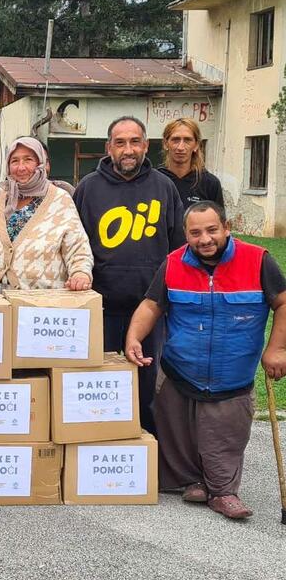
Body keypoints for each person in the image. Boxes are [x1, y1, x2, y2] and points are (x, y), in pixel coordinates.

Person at [126, 201, 286, 520]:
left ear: (226, 227)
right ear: (186, 234)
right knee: (177, 431)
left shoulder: (258, 260)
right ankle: (193, 481)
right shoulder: (173, 263)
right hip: (180, 371)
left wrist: (277, 349)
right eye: (196, 232)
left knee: (223, 435)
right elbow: (151, 305)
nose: (205, 239)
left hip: (232, 375)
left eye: (212, 230)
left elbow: (283, 302)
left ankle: (223, 491)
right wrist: (133, 337)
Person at [73, 116, 184, 435]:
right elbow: (75, 244)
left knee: (146, 390)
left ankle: (147, 461)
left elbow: (178, 249)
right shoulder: (88, 189)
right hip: (102, 309)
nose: (128, 149)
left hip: (150, 309)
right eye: (120, 143)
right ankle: (99, 455)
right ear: (108, 148)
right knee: (101, 387)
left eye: (135, 142)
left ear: (146, 146)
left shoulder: (164, 187)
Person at [0, 136, 92, 293]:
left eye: (28, 160)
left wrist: (80, 273)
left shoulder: (60, 199)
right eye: (14, 161)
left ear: (41, 164)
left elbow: (78, 248)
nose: (21, 167)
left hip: (37, 306)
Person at [159, 117, 224, 209]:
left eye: (187, 140)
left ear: (196, 145)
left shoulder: (210, 184)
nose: (181, 147)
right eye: (175, 140)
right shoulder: (154, 181)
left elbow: (217, 221)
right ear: (165, 144)